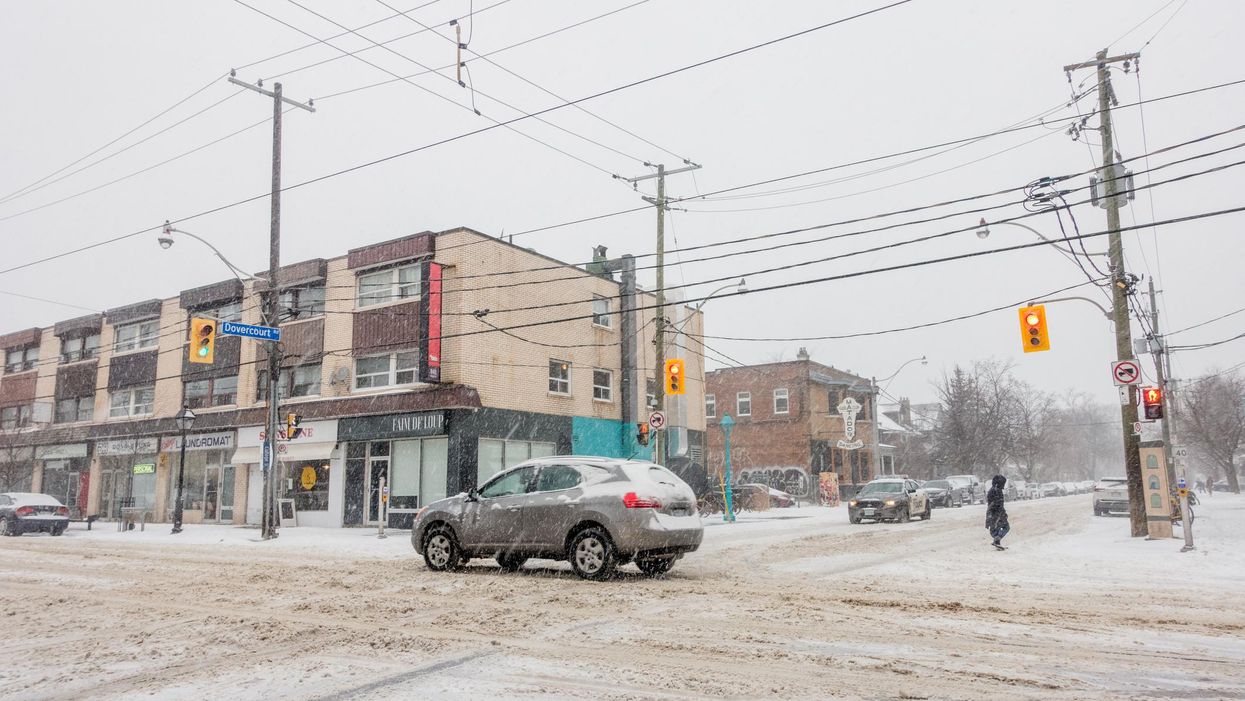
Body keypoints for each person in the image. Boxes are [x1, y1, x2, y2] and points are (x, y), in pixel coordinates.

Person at [985, 474, 1009, 551]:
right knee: (1005, 527)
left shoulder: (993, 490)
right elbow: (998, 504)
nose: (1003, 485)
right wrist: (1001, 513)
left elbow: (993, 504)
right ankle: (997, 540)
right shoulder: (997, 491)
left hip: (993, 513)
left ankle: (997, 540)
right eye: (1003, 483)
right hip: (996, 513)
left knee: (995, 528)